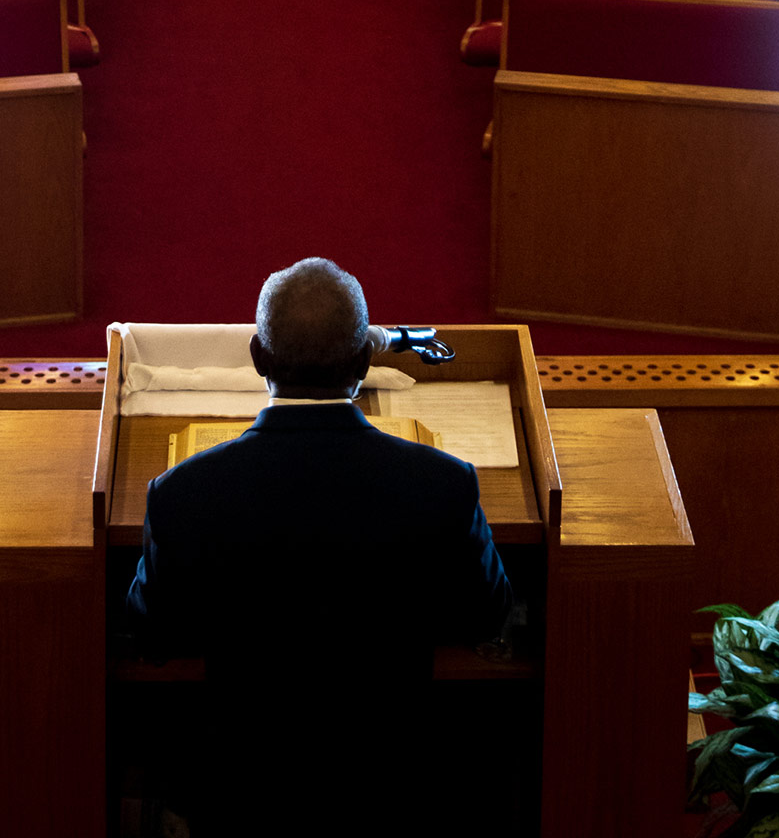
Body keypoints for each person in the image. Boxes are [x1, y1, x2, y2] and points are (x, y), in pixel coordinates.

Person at [126, 257, 514, 836]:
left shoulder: (182, 493)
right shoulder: (444, 484)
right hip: (393, 786)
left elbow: (152, 628)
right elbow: (487, 612)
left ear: (258, 357)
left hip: (240, 792)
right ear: (364, 360)